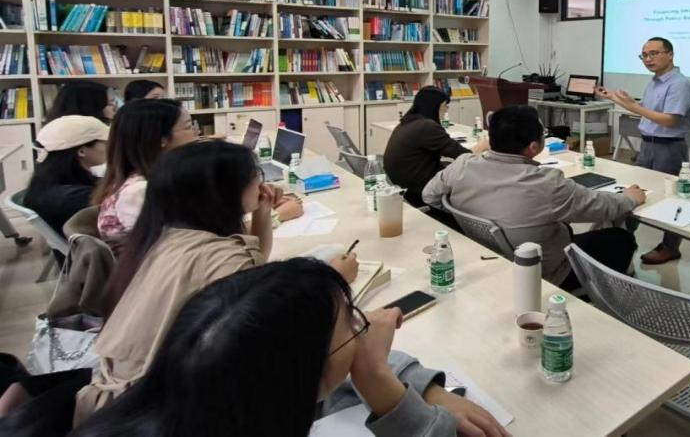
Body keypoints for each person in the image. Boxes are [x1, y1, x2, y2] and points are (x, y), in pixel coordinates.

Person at [74, 141, 360, 422]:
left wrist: (261, 211)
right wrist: (332, 283)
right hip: (168, 411)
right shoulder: (222, 260)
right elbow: (266, 339)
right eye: (256, 175)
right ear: (226, 191)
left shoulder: (171, 237)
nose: (262, 184)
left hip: (124, 403)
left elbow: (251, 268)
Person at [72, 259, 508, 437]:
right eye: (351, 324)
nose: (363, 327)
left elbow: (331, 376)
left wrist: (413, 384)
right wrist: (375, 375)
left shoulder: (211, 383)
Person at [423, 105, 644, 291]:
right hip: (544, 272)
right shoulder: (547, 183)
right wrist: (629, 198)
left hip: (489, 257)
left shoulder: (462, 165)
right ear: (534, 147)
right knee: (620, 239)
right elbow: (602, 207)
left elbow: (429, 195)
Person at [597, 36, 690, 265]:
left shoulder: (679, 84)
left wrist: (634, 106)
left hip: (669, 147)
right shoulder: (654, 82)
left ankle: (670, 247)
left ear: (670, 54)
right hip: (648, 145)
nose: (648, 59)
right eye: (644, 55)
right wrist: (617, 99)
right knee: (636, 190)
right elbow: (647, 112)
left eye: (654, 53)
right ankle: (621, 238)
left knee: (670, 197)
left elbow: (670, 120)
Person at [92, 99, 199, 250]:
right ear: (162, 139)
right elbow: (178, 244)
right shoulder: (139, 191)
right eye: (188, 127)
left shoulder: (155, 179)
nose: (196, 133)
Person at [383, 86, 489, 209]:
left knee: (450, 166)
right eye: (445, 106)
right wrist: (483, 145)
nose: (446, 110)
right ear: (435, 107)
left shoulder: (408, 122)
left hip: (403, 183)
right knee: (473, 174)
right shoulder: (427, 127)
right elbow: (464, 156)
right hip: (419, 190)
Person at [23, 116, 108, 238]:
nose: (111, 147)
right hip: (95, 247)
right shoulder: (74, 197)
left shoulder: (49, 181)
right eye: (105, 143)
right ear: (82, 151)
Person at [44, 81, 117, 125]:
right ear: (92, 107)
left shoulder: (52, 126)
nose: (116, 107)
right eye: (110, 103)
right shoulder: (95, 131)